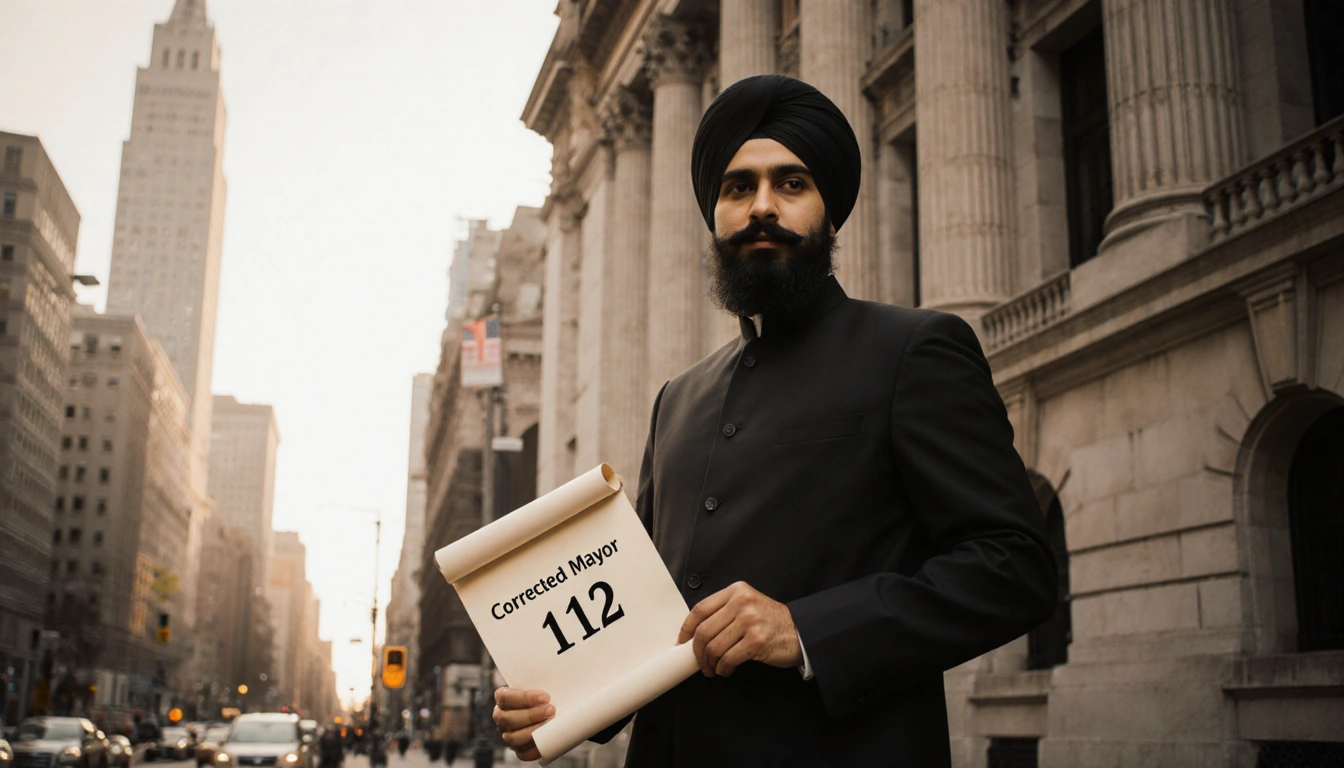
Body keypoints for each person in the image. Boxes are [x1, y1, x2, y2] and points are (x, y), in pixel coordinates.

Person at [492, 74, 1059, 766]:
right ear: (715, 218)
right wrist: (560, 703)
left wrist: (805, 630)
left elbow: (1015, 566)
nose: (762, 206)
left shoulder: (914, 349)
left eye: (791, 184)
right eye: (738, 188)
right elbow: (646, 618)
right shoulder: (677, 399)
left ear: (831, 214)